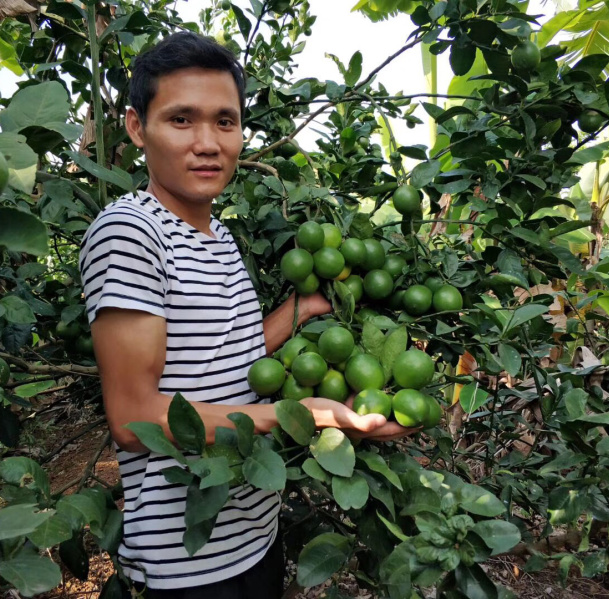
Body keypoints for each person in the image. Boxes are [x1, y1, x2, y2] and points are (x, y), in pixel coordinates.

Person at [79, 30, 411, 599]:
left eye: (225, 121)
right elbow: (133, 420)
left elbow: (226, 354)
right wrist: (302, 415)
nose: (207, 142)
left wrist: (300, 310)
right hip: (185, 564)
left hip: (253, 536)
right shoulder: (131, 233)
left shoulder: (219, 235)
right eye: (181, 120)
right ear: (137, 128)